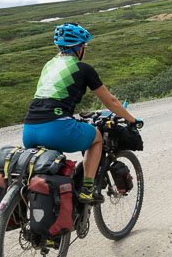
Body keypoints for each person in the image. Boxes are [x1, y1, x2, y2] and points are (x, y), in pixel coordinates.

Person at [22, 23, 140, 203]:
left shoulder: (48, 65)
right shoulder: (83, 68)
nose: (84, 50)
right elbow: (111, 102)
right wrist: (131, 120)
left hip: (29, 130)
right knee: (97, 138)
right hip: (57, 129)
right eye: (84, 47)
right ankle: (87, 189)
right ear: (79, 48)